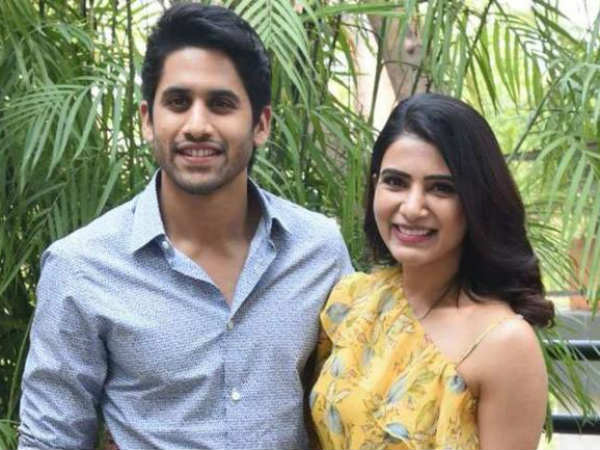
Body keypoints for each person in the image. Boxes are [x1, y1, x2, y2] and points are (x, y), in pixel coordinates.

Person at [18, 4, 353, 449]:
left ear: (261, 124)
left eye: (221, 104)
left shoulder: (317, 252)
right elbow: (50, 440)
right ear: (147, 119)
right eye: (178, 102)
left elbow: (356, 400)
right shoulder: (82, 267)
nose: (197, 125)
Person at [310, 93, 554, 450]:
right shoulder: (352, 301)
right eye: (396, 182)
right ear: (375, 185)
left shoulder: (503, 344)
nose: (412, 207)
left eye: (441, 188)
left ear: (477, 200)